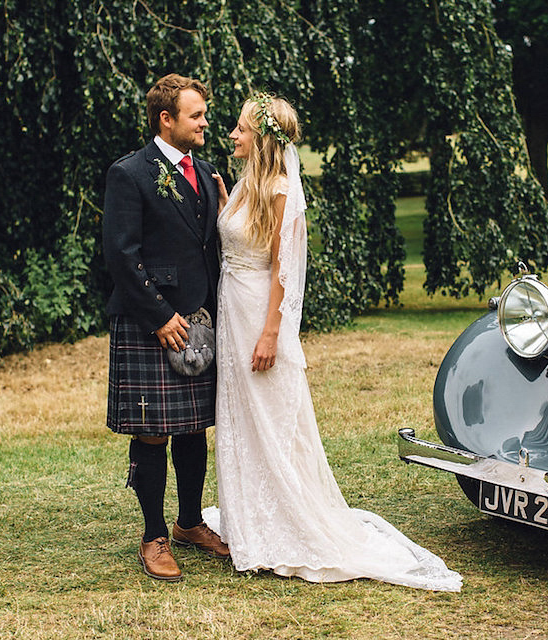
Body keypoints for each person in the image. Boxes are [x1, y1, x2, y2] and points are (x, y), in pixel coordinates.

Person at [203, 93, 462, 592]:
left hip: (259, 313)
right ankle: (250, 516)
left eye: (240, 129)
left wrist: (272, 332)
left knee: (273, 418)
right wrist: (223, 203)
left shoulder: (282, 190)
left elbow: (283, 265)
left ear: (260, 139)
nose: (231, 135)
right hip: (231, 311)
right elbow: (240, 236)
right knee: (243, 418)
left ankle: (285, 524)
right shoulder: (244, 185)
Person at [103, 73, 230, 582]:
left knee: (194, 426)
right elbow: (120, 254)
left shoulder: (205, 169)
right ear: (167, 119)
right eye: (196, 115)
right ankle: (153, 534)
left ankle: (189, 522)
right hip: (152, 321)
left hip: (198, 321)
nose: (204, 122)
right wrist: (159, 317)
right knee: (153, 431)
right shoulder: (129, 173)